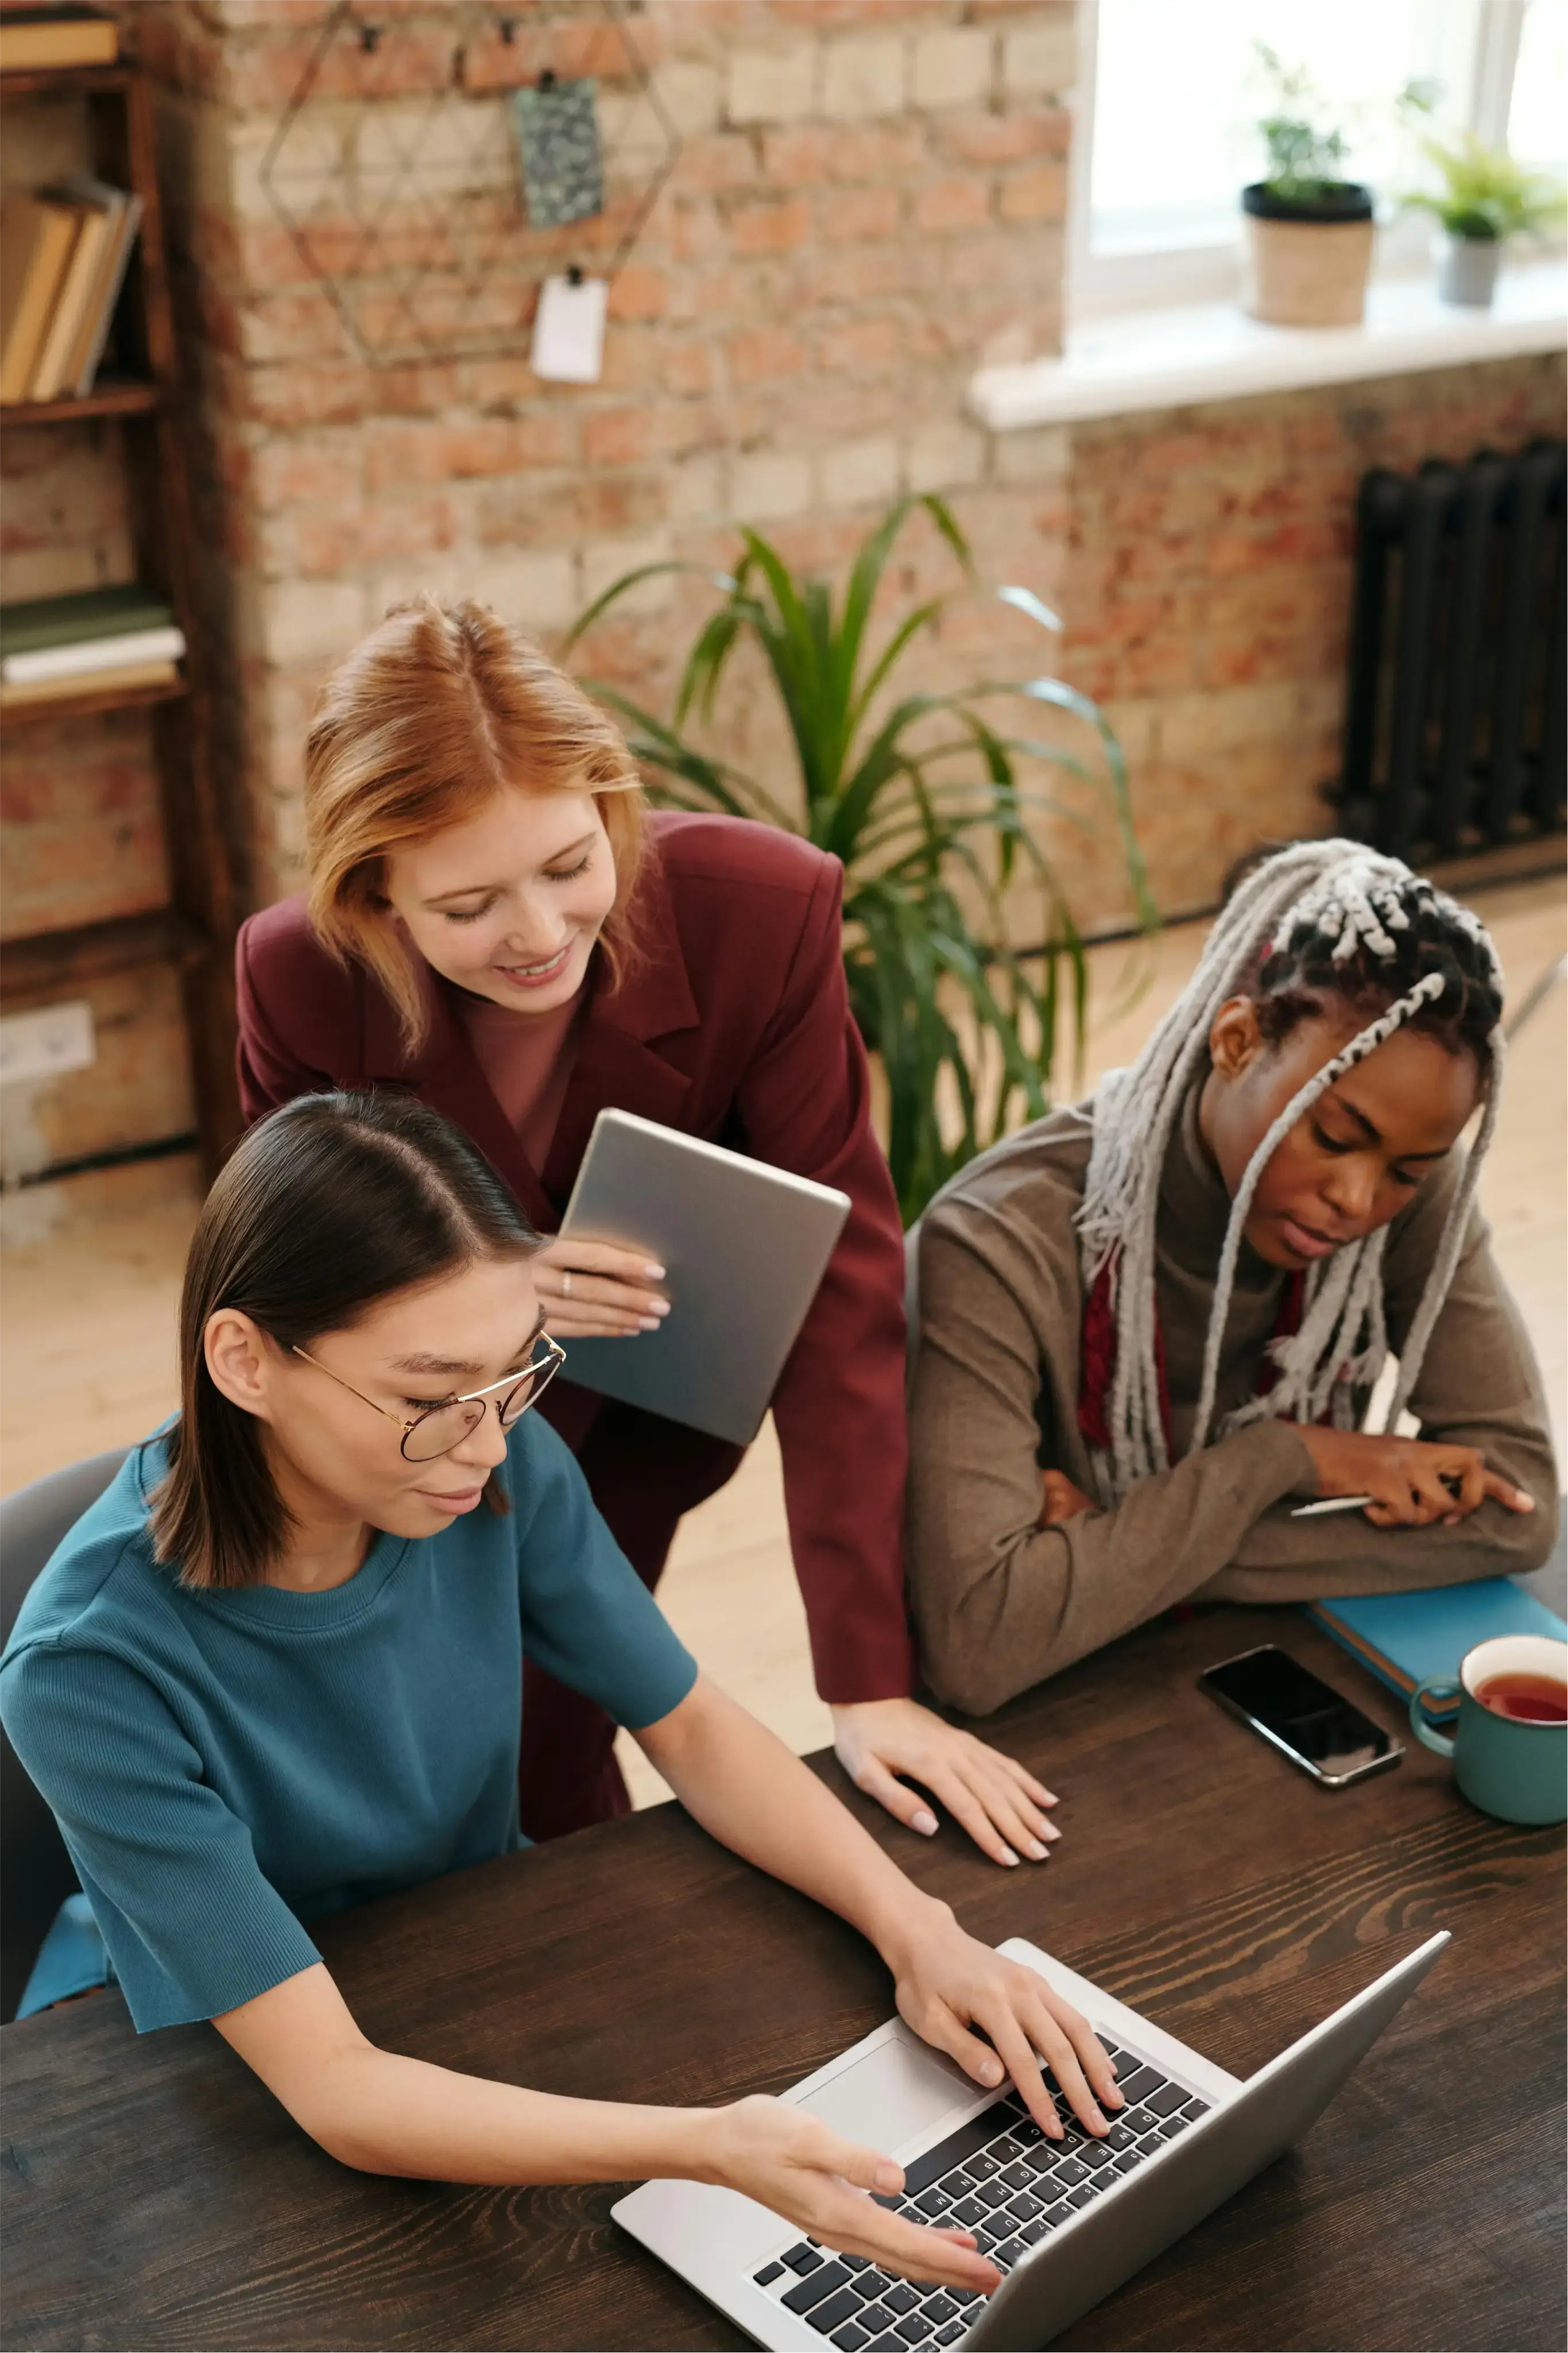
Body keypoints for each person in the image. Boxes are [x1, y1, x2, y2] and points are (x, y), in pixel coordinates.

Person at [0, 1092, 1121, 2292]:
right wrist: (708, 2144)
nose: (486, 1443)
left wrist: (922, 1930)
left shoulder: (492, 1458)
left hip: (489, 1958)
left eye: (513, 1371)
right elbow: (332, 2086)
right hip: (262, 2076)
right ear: (245, 1360)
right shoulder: (86, 1667)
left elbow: (687, 1720)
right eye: (431, 1397)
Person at [234, 596, 1052, 1869]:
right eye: (467, 906)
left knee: (557, 1730)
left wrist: (866, 1679)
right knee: (403, 1751)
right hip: (404, 1426)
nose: (542, 933)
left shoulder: (763, 912)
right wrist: (496, 1283)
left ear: (612, 804)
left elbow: (847, 1293)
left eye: (570, 865)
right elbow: (288, 1279)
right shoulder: (295, 975)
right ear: (373, 893)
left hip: (648, 1415)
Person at [907, 840, 1558, 1718]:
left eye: (1406, 1170)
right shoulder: (994, 1239)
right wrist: (1286, 1460)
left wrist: (1112, 1538)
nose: (1357, 1199)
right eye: (1332, 1136)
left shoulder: (1414, 1198)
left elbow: (1518, 1508)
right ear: (1237, 1040)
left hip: (1265, 1668)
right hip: (1045, 1734)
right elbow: (981, 1640)